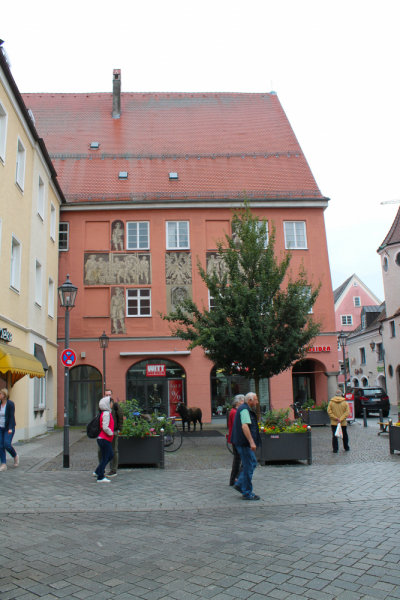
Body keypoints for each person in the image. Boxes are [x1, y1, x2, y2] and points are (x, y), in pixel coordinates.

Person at [230, 392, 261, 500]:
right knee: (249, 465)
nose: (257, 402)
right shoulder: (244, 410)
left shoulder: (244, 408)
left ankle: (241, 484)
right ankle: (246, 491)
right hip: (243, 443)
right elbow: (245, 427)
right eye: (256, 400)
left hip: (242, 442)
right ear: (250, 401)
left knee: (251, 463)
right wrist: (252, 442)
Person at [97, 389, 123, 477]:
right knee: (100, 451)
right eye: (106, 394)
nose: (108, 396)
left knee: (114, 451)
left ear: (112, 395)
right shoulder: (103, 407)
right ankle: (102, 468)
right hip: (104, 433)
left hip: (113, 431)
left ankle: (113, 470)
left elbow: (120, 418)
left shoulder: (115, 406)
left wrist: (118, 429)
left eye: (109, 394)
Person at [94, 397, 114, 483]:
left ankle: (98, 471)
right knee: (106, 458)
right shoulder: (106, 414)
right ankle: (100, 477)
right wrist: (111, 433)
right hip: (104, 438)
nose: (112, 404)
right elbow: (105, 427)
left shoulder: (106, 413)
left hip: (104, 439)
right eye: (111, 402)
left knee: (110, 455)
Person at [228, 394, 244, 486]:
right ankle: (236, 478)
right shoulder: (235, 412)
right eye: (242, 401)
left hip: (234, 438)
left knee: (237, 459)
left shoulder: (235, 411)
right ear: (237, 402)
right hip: (236, 438)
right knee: (239, 459)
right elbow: (237, 425)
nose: (243, 403)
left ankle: (234, 479)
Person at [0, 388, 18, 472]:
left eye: (0, 394)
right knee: (0, 445)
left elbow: (11, 416)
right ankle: (3, 464)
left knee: (7, 444)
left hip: (8, 428)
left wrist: (10, 428)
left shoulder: (10, 404)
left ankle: (15, 456)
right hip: (0, 428)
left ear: (4, 395)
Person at [327, 389, 350, 453]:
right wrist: (341, 419)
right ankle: (346, 447)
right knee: (344, 435)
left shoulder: (331, 402)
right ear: (341, 394)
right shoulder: (345, 402)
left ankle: (335, 448)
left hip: (334, 422)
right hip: (343, 423)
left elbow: (329, 411)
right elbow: (347, 412)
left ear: (335, 394)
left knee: (334, 435)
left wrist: (335, 418)